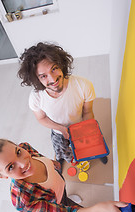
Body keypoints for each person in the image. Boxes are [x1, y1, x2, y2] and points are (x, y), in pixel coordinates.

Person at [0, 138, 132, 212]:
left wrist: (52, 163)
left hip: (58, 186)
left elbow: (37, 156)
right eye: (10, 167)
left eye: (18, 152)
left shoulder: (25, 147)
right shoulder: (24, 201)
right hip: (55, 202)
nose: (23, 163)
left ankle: (66, 198)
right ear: (1, 176)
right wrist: (99, 211)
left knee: (64, 193)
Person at [18, 42, 108, 171]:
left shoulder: (84, 85)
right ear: (36, 79)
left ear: (61, 64)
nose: (53, 79)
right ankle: (60, 158)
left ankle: (98, 154)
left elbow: (88, 111)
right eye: (43, 76)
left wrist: (86, 132)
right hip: (58, 132)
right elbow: (41, 118)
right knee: (61, 151)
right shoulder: (36, 97)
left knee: (93, 146)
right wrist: (60, 128)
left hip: (81, 125)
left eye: (54, 69)